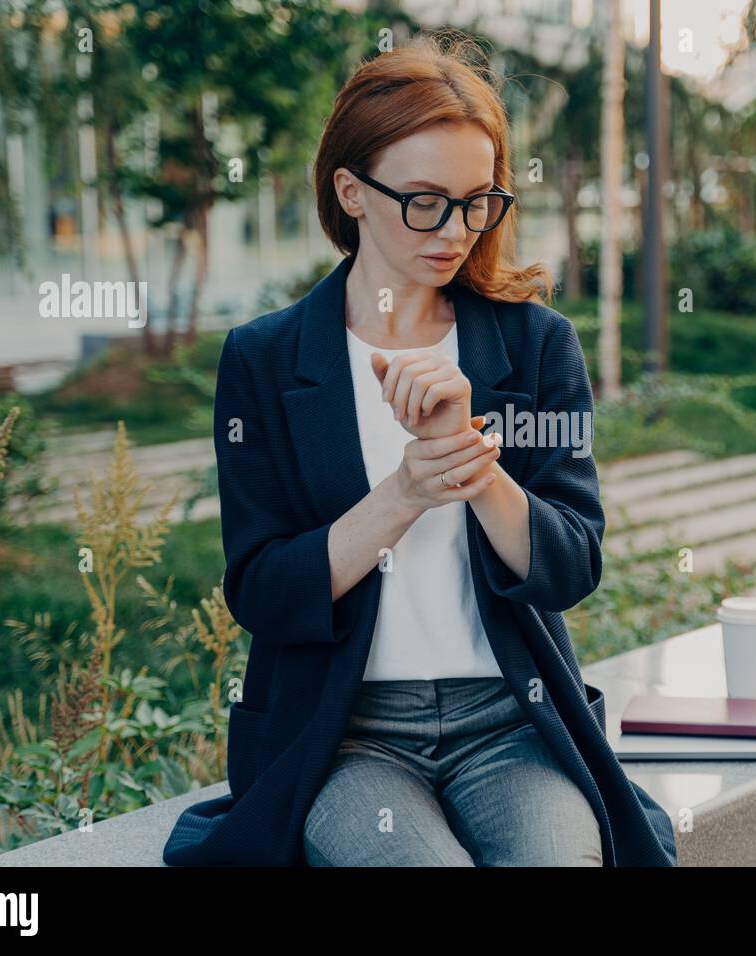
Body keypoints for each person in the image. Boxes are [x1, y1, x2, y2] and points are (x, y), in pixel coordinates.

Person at [162, 35, 678, 868]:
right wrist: (402, 493)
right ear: (351, 191)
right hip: (346, 737)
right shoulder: (263, 358)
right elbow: (261, 590)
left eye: (479, 201)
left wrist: (476, 472)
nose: (457, 231)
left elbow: (572, 565)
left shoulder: (539, 345)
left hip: (512, 722)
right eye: (426, 201)